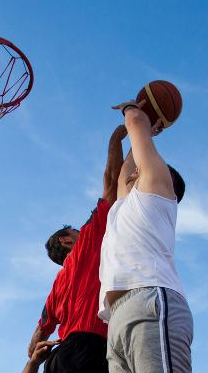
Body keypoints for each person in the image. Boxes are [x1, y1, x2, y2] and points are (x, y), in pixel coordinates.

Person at [98, 100, 190, 373]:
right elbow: (123, 175)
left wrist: (133, 110)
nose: (135, 168)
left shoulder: (156, 191)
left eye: (141, 165)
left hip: (150, 299)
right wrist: (141, 135)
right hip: (119, 315)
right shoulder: (125, 206)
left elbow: (136, 121)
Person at [26, 124, 128, 373]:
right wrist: (119, 135)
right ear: (66, 241)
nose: (81, 231)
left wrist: (36, 357)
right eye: (74, 231)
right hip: (91, 349)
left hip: (60, 358)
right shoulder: (86, 244)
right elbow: (112, 182)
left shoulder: (56, 289)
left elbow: (34, 343)